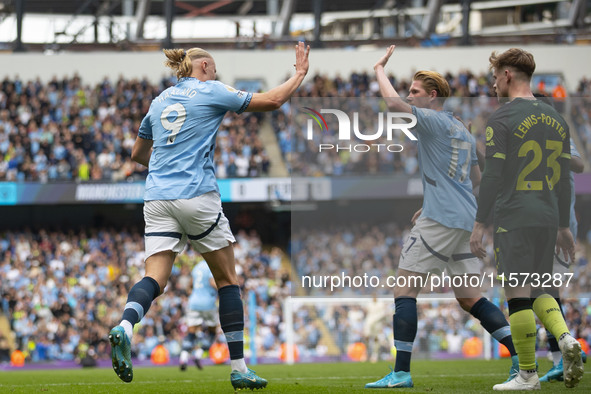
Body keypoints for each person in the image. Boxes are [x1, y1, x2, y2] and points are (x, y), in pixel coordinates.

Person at [108, 42, 310, 390]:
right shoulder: (210, 89)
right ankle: (239, 368)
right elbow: (272, 101)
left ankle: (125, 326)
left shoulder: (159, 102)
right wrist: (300, 75)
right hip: (196, 195)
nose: (216, 75)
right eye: (213, 69)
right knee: (227, 280)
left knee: (155, 279)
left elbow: (138, 153)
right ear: (203, 66)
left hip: (157, 198)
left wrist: (166, 161)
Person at [365, 45, 519, 389]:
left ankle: (401, 373)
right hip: (465, 219)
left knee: (404, 290)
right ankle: (522, 358)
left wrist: (379, 69)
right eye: (409, 91)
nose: (409, 96)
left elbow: (392, 105)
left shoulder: (431, 119)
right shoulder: (459, 127)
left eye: (415, 92)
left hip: (441, 220)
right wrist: (435, 196)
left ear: (433, 96)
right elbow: (475, 180)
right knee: (469, 298)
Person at [470, 47, 583, 390]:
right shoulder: (557, 119)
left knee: (517, 295)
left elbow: (492, 177)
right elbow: (565, 178)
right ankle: (564, 338)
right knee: (542, 288)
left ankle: (528, 374)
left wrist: (479, 223)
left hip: (514, 217)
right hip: (548, 217)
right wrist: (563, 225)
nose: (492, 86)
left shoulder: (502, 119)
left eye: (493, 78)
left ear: (507, 75)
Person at [179, 259, 218, 371]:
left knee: (191, 333)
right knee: (212, 332)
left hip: (194, 302)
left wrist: (195, 294)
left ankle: (183, 358)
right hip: (208, 303)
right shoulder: (212, 265)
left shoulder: (196, 267)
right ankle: (198, 355)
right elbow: (212, 282)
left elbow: (189, 286)